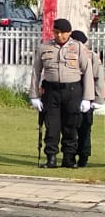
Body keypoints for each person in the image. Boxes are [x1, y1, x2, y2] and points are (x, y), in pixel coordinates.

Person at [31, 19, 97, 168]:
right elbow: (36, 71)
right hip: (51, 91)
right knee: (52, 126)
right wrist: (34, 95)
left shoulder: (78, 47)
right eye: (56, 32)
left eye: (62, 33)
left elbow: (87, 72)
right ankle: (51, 158)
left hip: (72, 91)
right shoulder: (45, 47)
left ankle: (69, 158)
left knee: (70, 126)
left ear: (69, 33)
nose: (59, 35)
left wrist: (87, 98)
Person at [77, 31, 104, 168]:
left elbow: (98, 78)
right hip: (71, 95)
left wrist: (98, 100)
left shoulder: (91, 56)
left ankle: (83, 156)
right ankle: (70, 155)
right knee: (70, 128)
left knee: (85, 128)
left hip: (87, 97)